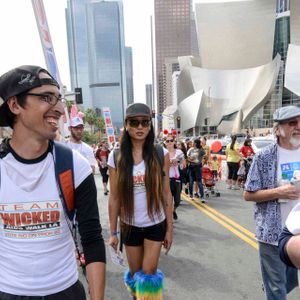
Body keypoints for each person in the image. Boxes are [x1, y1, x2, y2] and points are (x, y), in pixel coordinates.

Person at [0, 65, 106, 299]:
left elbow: (91, 238)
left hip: (65, 290)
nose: (58, 109)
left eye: (58, 99)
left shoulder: (74, 165)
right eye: (47, 97)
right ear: (15, 105)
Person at [108, 103, 173, 300]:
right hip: (130, 225)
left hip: (155, 223)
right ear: (126, 125)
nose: (140, 127)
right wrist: (113, 232)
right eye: (134, 122)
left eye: (145, 122)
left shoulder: (161, 154)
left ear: (150, 125)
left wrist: (169, 229)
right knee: (136, 277)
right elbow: (114, 197)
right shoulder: (116, 156)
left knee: (149, 273)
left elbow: (166, 194)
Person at [244, 105, 300, 300]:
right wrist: (279, 192)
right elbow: (248, 194)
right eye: (292, 122)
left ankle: (270, 283)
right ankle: (272, 287)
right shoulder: (264, 156)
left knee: (291, 281)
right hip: (272, 233)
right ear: (278, 129)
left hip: (297, 233)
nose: (298, 126)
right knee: (277, 291)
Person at [165, 134, 185, 220]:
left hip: (177, 178)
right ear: (165, 143)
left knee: (177, 201)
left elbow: (184, 164)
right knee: (168, 201)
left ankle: (173, 210)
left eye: (171, 140)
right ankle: (169, 218)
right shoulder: (163, 153)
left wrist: (178, 161)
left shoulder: (179, 152)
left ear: (174, 142)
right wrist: (168, 163)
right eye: (167, 141)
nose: (169, 142)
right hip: (167, 179)